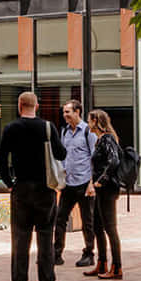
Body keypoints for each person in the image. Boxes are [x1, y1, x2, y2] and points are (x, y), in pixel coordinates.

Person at [0, 90, 66, 281]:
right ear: (36, 106)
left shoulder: (11, 128)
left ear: (19, 106)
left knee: (20, 234)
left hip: (21, 187)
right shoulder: (47, 127)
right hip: (45, 187)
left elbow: (1, 160)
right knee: (45, 233)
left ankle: (20, 280)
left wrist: (9, 182)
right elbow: (61, 153)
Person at [53, 97, 98, 268]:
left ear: (77, 112)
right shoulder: (64, 132)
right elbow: (63, 155)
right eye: (64, 112)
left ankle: (89, 254)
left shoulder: (88, 132)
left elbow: (94, 158)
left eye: (67, 112)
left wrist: (92, 183)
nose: (65, 115)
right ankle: (56, 253)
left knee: (88, 221)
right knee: (60, 218)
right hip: (69, 183)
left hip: (84, 182)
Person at [84, 109, 124, 279]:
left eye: (89, 120)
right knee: (98, 227)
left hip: (108, 190)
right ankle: (102, 263)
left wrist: (102, 179)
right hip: (100, 189)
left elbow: (114, 160)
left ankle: (117, 267)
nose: (87, 124)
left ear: (96, 121)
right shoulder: (100, 140)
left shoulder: (107, 138)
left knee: (110, 228)